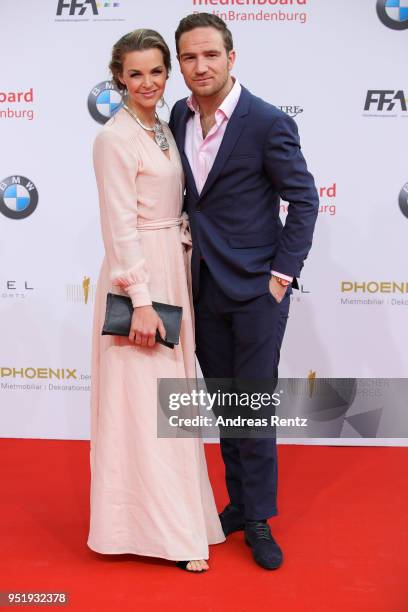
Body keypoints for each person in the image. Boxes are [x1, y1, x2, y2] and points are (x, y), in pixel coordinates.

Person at [169, 13, 319, 570]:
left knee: (251, 409)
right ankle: (237, 501)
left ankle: (258, 518)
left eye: (210, 55)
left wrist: (280, 278)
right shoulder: (179, 114)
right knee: (227, 406)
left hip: (257, 291)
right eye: (189, 57)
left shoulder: (266, 122)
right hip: (203, 286)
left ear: (232, 57)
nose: (200, 66)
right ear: (180, 64)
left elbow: (304, 200)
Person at [87, 28, 225, 573]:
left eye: (156, 71)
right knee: (142, 409)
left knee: (171, 404)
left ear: (168, 74)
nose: (147, 82)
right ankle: (164, 533)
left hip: (172, 268)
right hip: (139, 278)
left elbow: (170, 205)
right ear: (118, 76)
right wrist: (140, 300)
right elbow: (119, 227)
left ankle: (183, 519)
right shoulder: (115, 139)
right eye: (135, 72)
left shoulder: (163, 130)